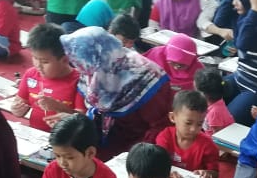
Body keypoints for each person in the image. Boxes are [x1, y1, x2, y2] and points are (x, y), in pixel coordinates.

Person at [61, 26, 173, 159]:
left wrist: (132, 157)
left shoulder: (143, 80)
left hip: (136, 151)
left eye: (82, 64)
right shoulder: (96, 69)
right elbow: (94, 112)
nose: (81, 71)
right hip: (105, 143)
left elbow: (160, 127)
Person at [153, 90, 222, 178]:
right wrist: (169, 173)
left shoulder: (208, 145)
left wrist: (207, 173)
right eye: (188, 123)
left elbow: (215, 173)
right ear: (173, 117)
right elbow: (158, 163)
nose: (193, 129)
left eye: (199, 124)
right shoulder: (165, 136)